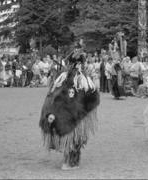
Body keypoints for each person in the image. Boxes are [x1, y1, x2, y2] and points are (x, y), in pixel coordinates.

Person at [39, 42, 100, 170]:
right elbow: (92, 97)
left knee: (73, 138)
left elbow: (92, 97)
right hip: (69, 115)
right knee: (72, 138)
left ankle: (71, 162)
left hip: (72, 115)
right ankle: (69, 162)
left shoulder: (74, 79)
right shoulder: (70, 79)